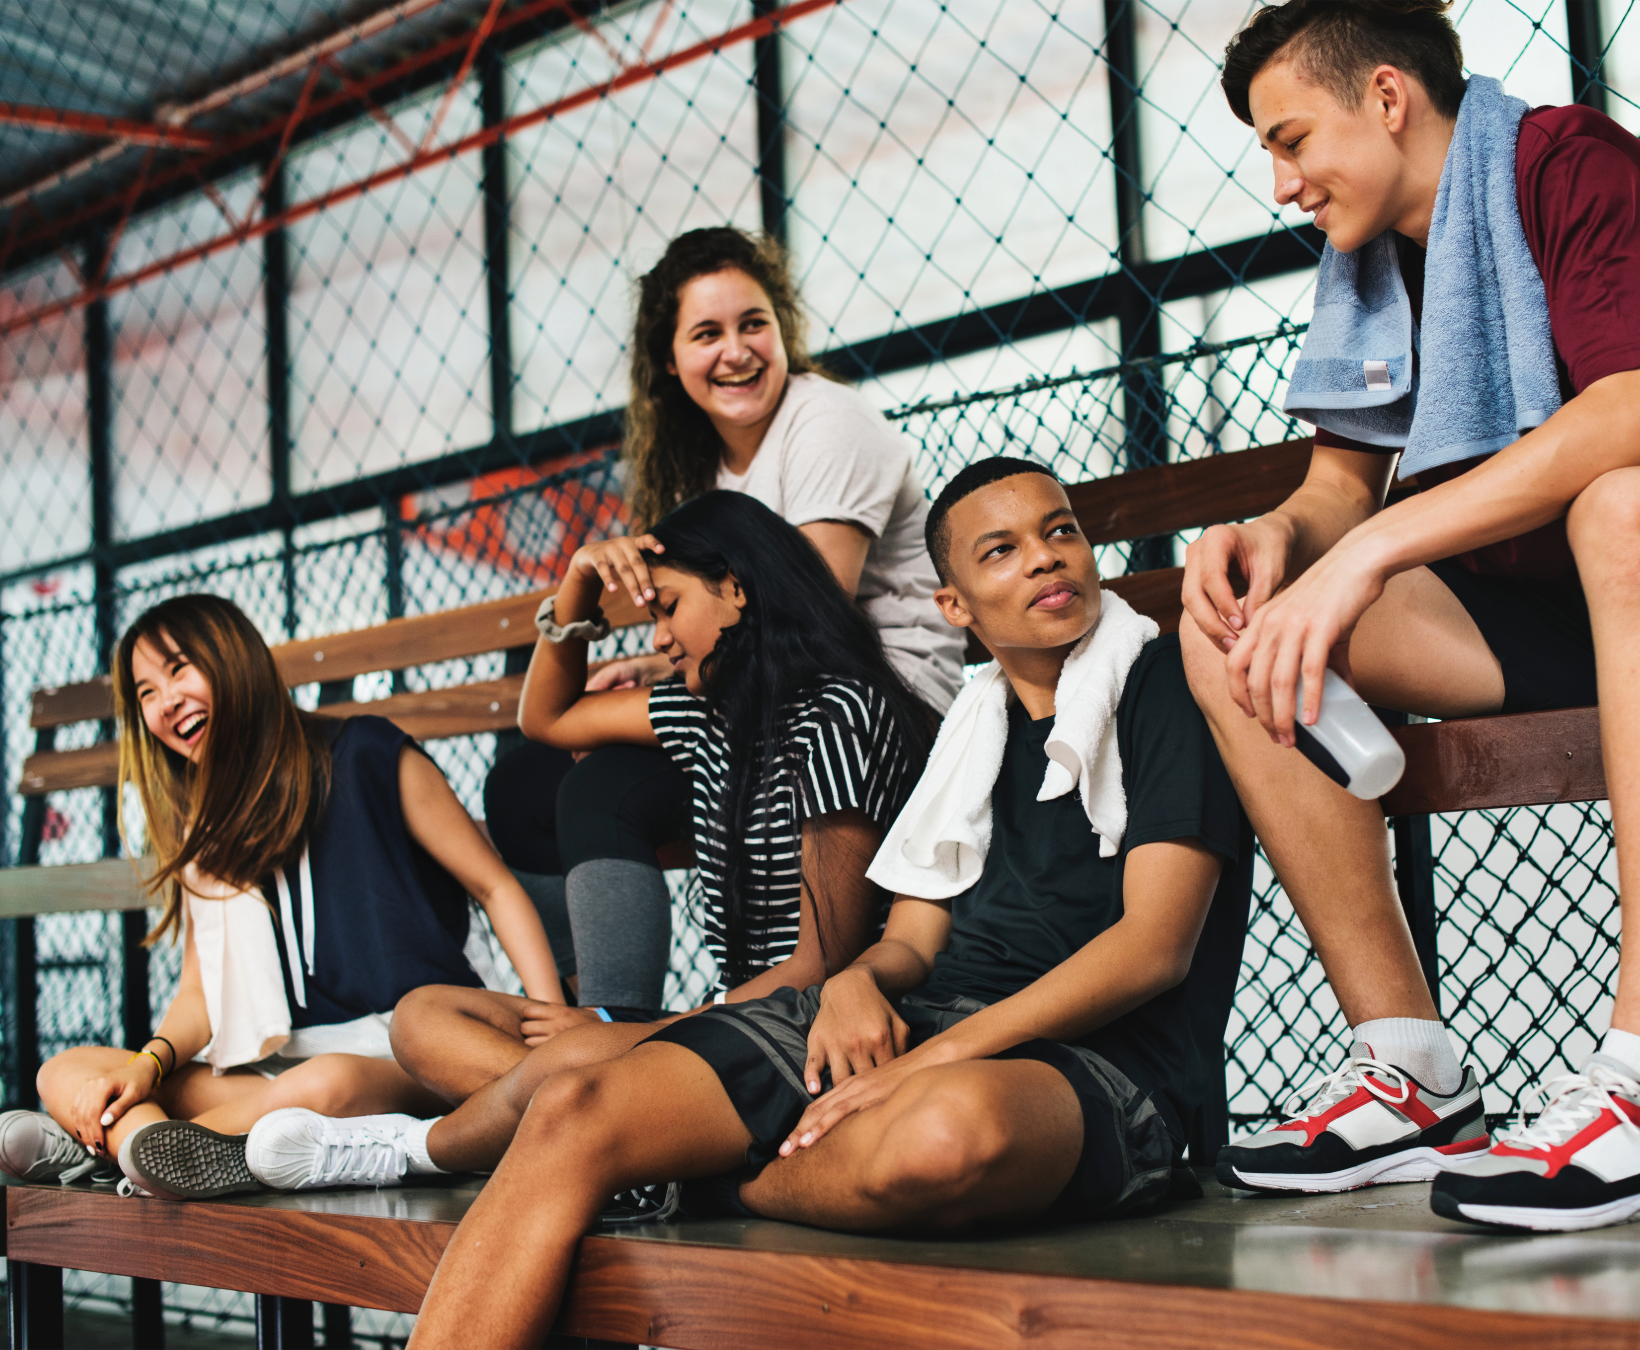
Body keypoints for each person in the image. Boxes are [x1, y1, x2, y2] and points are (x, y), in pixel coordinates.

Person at [1187, 1, 1640, 1233]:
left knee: (1628, 510)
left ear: (1390, 98)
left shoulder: (1567, 163)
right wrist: (1276, 541)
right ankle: (1408, 1070)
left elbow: (1638, 420)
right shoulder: (1371, 260)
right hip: (1569, 611)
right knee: (1227, 625)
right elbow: (1338, 490)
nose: (1283, 180)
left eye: (1293, 138)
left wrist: (1371, 555)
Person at [372, 458, 1251, 1349]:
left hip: (1098, 1064)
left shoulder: (1158, 684)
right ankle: (630, 1157)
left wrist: (920, 1063)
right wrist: (858, 984)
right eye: (1002, 550)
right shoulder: (972, 727)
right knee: (572, 1107)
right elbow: (910, 939)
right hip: (921, 1024)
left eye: (1061, 531)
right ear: (956, 607)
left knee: (944, 1135)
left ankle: (680, 1171)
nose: (1045, 559)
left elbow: (1154, 948)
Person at [241, 491, 934, 1190]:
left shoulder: (838, 712)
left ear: (736, 586)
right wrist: (576, 584)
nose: (659, 639)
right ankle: (635, 1142)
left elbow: (819, 966)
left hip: (801, 1026)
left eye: (667, 607)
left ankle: (417, 1146)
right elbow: (547, 717)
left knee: (558, 1061)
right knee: (424, 1017)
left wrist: (647, 1028)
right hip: (731, 1020)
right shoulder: (709, 716)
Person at [486, 225, 963, 1017]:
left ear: (783, 332)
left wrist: (666, 669)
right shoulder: (702, 467)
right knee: (527, 783)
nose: (737, 351)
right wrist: (629, 640)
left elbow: (806, 613)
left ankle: (626, 1032)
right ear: (668, 361)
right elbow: (564, 709)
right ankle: (598, 1012)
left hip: (874, 712)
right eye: (707, 333)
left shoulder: (826, 423)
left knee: (595, 785)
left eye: (754, 324)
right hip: (759, 704)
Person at [0, 594, 566, 1201]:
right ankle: (168, 1152)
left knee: (324, 1086)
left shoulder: (368, 753)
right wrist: (146, 1067)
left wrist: (551, 1023)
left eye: (179, 669)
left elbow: (494, 886)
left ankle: (109, 1154)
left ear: (233, 661)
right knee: (64, 1069)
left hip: (401, 1053)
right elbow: (198, 995)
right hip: (282, 1065)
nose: (165, 702)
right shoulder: (206, 828)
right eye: (145, 694)